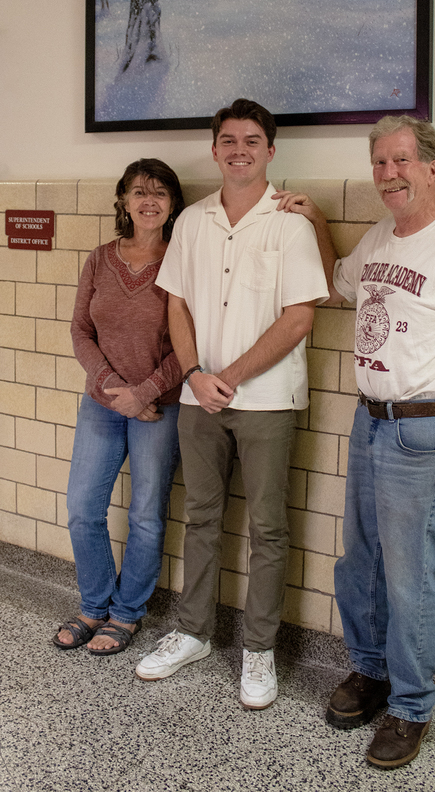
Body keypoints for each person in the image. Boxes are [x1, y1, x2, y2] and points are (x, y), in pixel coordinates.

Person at [277, 116, 435, 767]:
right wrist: (317, 222)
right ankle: (370, 673)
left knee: (408, 579)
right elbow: (337, 284)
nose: (388, 174)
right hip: (369, 422)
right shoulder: (379, 237)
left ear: (431, 167)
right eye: (379, 162)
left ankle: (410, 706)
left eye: (400, 161)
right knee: (361, 564)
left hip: (423, 429)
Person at [135, 99, 328, 707]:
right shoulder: (192, 221)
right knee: (200, 517)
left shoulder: (290, 223)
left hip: (266, 400)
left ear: (270, 151)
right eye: (228, 140)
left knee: (268, 528)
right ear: (215, 149)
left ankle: (260, 651)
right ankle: (192, 631)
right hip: (200, 398)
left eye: (251, 141)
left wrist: (231, 375)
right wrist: (194, 373)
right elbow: (177, 304)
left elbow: (299, 318)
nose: (239, 149)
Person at [53, 159, 184, 655]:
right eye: (138, 191)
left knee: (147, 514)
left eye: (159, 193)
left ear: (172, 204)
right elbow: (80, 331)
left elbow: (190, 346)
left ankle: (127, 614)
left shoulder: (180, 261)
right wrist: (115, 390)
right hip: (103, 405)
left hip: (158, 408)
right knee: (84, 508)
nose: (148, 200)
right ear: (123, 202)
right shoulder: (99, 258)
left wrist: (144, 393)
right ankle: (94, 605)